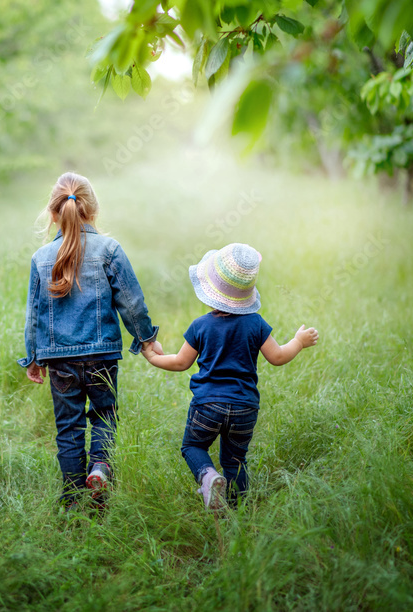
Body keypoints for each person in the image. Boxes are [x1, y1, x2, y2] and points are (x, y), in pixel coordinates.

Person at [19, 172, 159, 509]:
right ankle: (100, 470)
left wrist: (33, 357)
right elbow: (132, 302)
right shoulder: (109, 250)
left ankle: (72, 501)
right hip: (102, 355)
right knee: (104, 415)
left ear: (53, 213)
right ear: (92, 210)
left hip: (60, 360)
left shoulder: (41, 258)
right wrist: (145, 339)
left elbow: (34, 314)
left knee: (68, 429)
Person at [141, 243, 318, 510]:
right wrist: (299, 341)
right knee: (235, 461)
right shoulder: (256, 323)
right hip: (245, 407)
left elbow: (180, 362)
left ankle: (208, 477)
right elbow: (278, 356)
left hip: (207, 405)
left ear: (211, 290)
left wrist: (153, 357)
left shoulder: (200, 326)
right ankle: (237, 512)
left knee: (192, 447)